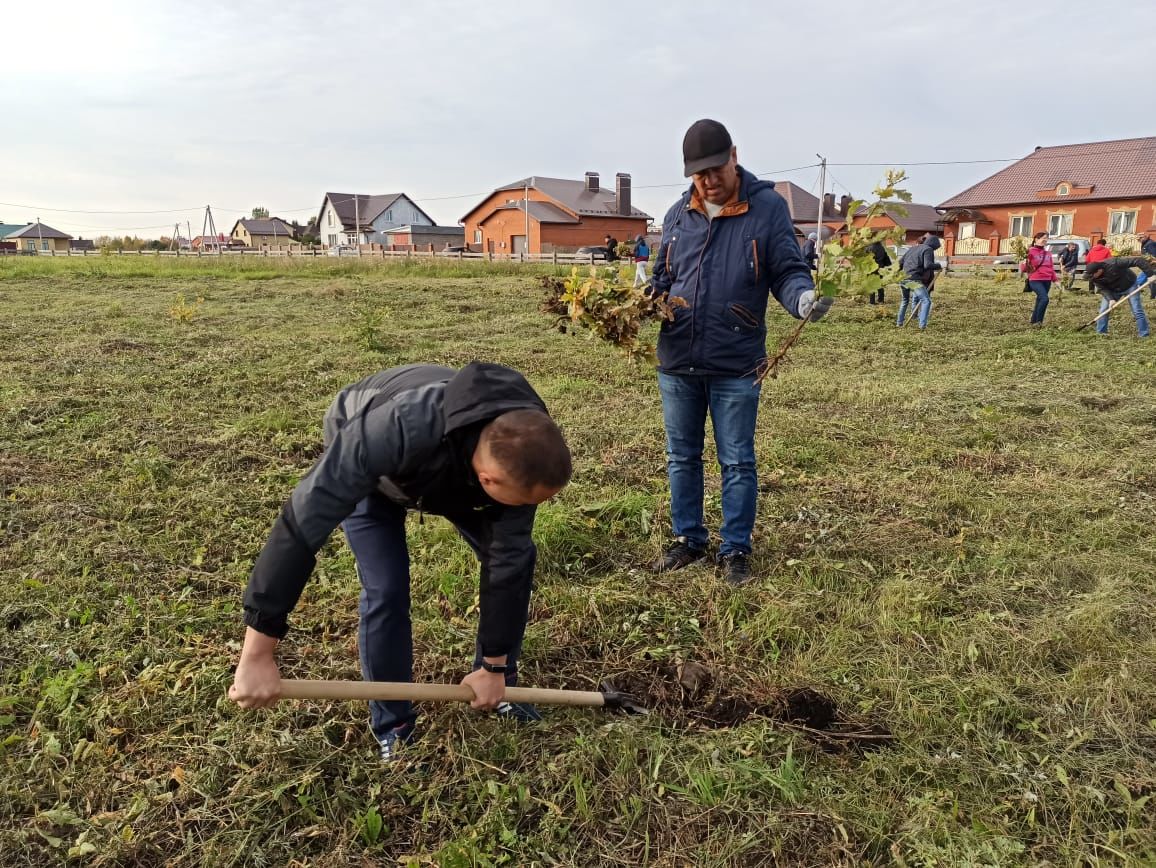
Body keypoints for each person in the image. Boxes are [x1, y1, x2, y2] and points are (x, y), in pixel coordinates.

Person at [229, 362, 573, 760]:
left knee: (516, 558)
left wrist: (495, 669)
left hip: (454, 472)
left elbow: (508, 564)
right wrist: (257, 653)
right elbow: (301, 526)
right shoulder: (393, 428)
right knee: (386, 588)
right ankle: (393, 724)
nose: (531, 511)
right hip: (374, 468)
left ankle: (496, 688)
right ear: (488, 482)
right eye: (526, 503)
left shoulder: (525, 447)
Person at [648, 118, 830, 586]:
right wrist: (642, 303)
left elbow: (788, 271)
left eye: (714, 168)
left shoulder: (766, 208)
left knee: (737, 460)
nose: (708, 180)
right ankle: (688, 539)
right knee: (681, 456)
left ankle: (735, 549)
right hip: (677, 360)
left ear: (734, 155)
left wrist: (802, 299)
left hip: (735, 361)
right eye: (697, 173)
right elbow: (662, 280)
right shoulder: (677, 215)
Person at [1085, 257, 1154, 338]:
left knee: (1137, 310)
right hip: (1112, 290)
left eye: (1093, 275)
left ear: (1099, 270)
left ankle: (1144, 334)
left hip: (1130, 286)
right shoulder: (1093, 277)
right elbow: (1102, 289)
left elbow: (1138, 260)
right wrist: (1110, 299)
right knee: (1103, 310)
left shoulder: (1114, 263)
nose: (1091, 277)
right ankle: (1101, 333)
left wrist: (1150, 275)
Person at [895, 236, 941, 329]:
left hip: (903, 278)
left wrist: (897, 275)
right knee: (926, 301)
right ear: (934, 245)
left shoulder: (913, 248)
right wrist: (939, 265)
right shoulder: (928, 249)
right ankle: (922, 326)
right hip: (914, 279)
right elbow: (927, 265)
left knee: (905, 300)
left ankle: (899, 323)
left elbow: (900, 262)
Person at [1022, 231, 1055, 326]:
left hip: (1047, 280)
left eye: (1046, 238)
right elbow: (1024, 269)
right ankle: (1038, 322)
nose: (1045, 240)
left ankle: (1034, 321)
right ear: (1036, 239)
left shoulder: (1048, 253)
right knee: (1045, 299)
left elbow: (1051, 267)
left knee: (1040, 299)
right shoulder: (1029, 251)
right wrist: (1024, 262)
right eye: (1043, 238)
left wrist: (1055, 280)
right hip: (1035, 279)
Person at [866, 240, 891, 304]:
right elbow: (886, 258)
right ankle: (881, 300)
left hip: (871, 269)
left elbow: (865, 259)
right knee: (880, 284)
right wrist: (889, 266)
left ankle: (872, 301)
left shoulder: (868, 248)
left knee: (871, 285)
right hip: (880, 268)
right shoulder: (882, 248)